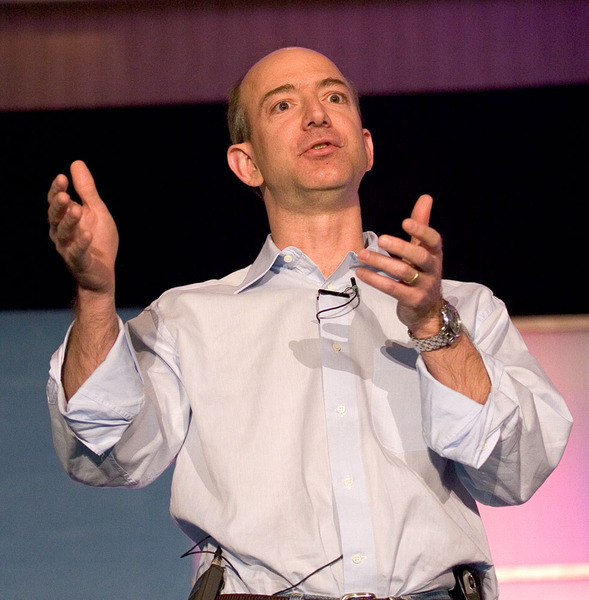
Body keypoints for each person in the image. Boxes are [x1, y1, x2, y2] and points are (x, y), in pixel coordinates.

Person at [46, 47, 572, 600]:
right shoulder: (187, 318)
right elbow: (107, 453)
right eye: (283, 105)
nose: (317, 115)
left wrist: (434, 329)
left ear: (366, 147)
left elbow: (516, 472)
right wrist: (96, 295)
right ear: (247, 164)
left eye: (334, 97)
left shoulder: (463, 307)